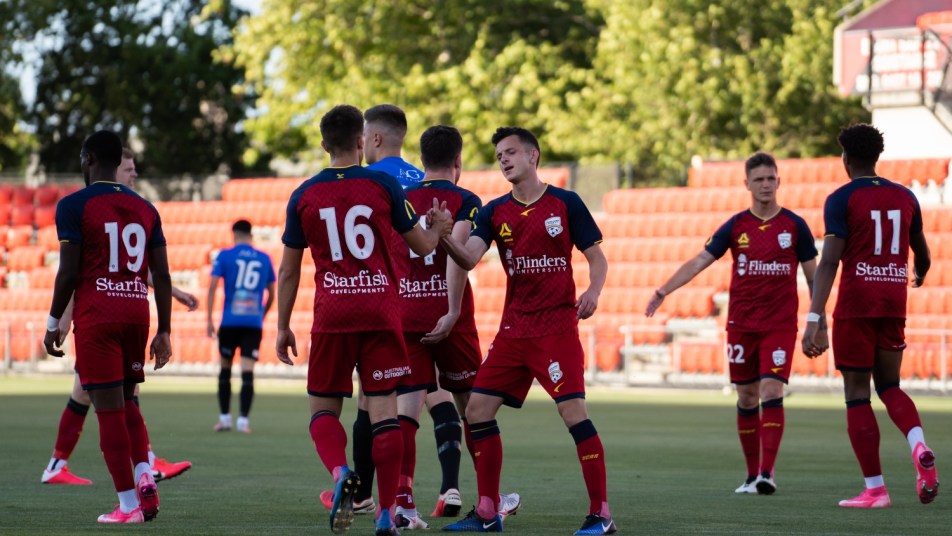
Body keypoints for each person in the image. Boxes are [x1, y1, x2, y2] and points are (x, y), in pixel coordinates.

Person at [275, 104, 453, 536]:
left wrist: (282, 325)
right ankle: (386, 514)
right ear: (360, 141)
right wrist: (440, 227)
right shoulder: (383, 184)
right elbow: (423, 245)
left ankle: (341, 473)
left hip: (333, 313)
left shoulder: (303, 194)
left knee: (323, 409)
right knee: (384, 414)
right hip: (381, 311)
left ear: (324, 144)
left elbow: (289, 271)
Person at [439, 127, 613, 535]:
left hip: (556, 329)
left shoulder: (566, 203)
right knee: (477, 411)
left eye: (511, 152)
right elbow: (468, 258)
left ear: (533, 155)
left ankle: (602, 514)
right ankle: (488, 512)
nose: (503, 159)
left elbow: (597, 257)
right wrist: (445, 236)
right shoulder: (493, 212)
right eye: (499, 155)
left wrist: (593, 290)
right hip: (514, 331)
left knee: (573, 414)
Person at [319, 104, 471, 519]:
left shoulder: (368, 182)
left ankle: (367, 495)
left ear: (374, 138)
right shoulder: (422, 182)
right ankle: (450, 486)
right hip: (437, 298)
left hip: (386, 303)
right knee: (438, 393)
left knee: (374, 401)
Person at [645, 152, 818, 495]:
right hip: (741, 324)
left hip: (780, 324)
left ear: (779, 181)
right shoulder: (736, 226)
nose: (766, 184)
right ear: (747, 184)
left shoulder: (795, 225)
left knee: (771, 390)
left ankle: (767, 473)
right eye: (759, 179)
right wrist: (664, 290)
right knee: (747, 396)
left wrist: (819, 318)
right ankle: (751, 476)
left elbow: (815, 277)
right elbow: (700, 260)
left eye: (771, 178)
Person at [802, 123, 938, 508]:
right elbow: (923, 255)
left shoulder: (841, 199)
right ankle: (918, 445)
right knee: (890, 385)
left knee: (857, 394)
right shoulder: (905, 196)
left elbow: (829, 262)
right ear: (877, 157)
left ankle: (876, 490)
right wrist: (919, 274)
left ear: (846, 158)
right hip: (893, 303)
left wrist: (813, 318)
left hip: (856, 306)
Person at [41, 147, 195, 486]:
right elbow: (80, 271)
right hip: (101, 316)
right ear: (111, 168)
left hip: (106, 314)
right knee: (120, 398)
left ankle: (63, 465)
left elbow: (129, 266)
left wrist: (174, 292)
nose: (134, 173)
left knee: (97, 394)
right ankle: (141, 470)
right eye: (129, 168)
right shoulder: (96, 210)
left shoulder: (122, 210)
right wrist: (62, 320)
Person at [206, 219, 276, 433]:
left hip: (229, 321)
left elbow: (212, 287)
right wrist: (261, 315)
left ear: (234, 234)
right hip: (253, 323)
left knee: (225, 369)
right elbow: (272, 293)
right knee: (247, 371)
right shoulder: (264, 258)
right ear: (250, 234)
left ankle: (225, 419)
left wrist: (209, 320)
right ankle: (243, 422)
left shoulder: (225, 255)